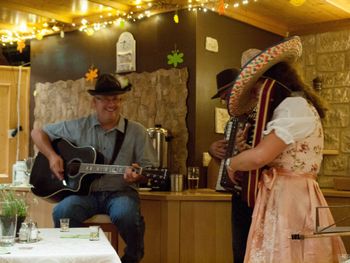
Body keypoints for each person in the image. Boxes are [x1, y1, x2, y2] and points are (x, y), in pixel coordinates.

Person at [226, 36, 347, 263]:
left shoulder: (294, 107)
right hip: (288, 193)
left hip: (289, 196)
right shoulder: (294, 107)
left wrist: (232, 163)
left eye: (257, 88)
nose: (256, 95)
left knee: (288, 253)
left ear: (271, 82)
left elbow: (261, 156)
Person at [31, 73, 158, 263]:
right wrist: (52, 156)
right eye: (105, 99)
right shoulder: (77, 127)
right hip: (85, 195)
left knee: (126, 215)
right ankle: (78, 258)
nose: (111, 104)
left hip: (120, 193)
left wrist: (138, 176)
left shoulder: (137, 132)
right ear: (94, 102)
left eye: (115, 99)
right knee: (62, 212)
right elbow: (37, 132)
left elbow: (150, 169)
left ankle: (132, 258)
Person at [208, 67, 253, 263]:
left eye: (227, 96)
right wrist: (214, 151)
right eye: (223, 99)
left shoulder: (260, 116)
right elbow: (226, 160)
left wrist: (246, 151)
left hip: (261, 193)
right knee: (240, 250)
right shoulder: (232, 124)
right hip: (239, 195)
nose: (226, 103)